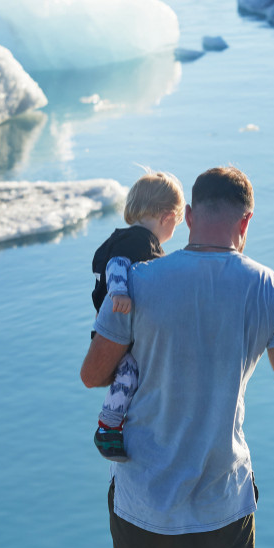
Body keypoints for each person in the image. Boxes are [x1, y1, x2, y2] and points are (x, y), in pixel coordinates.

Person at [81, 167, 274, 548]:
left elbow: (93, 375)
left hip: (141, 500)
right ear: (246, 220)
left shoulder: (136, 281)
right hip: (223, 503)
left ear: (188, 216)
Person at [90, 171, 186, 461]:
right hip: (118, 328)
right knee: (130, 373)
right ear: (168, 217)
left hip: (111, 327)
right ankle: (107, 428)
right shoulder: (140, 242)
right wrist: (119, 291)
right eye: (176, 224)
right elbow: (117, 265)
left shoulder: (119, 238)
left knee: (130, 375)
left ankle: (115, 424)